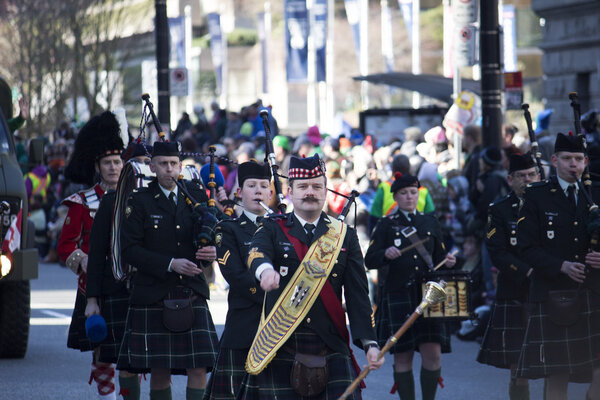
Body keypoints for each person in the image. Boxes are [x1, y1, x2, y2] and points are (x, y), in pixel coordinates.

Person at [239, 154, 384, 400]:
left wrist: (370, 342)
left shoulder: (343, 235)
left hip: (330, 342)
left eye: (317, 186)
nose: (310, 192)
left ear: (326, 190)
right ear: (289, 191)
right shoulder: (273, 227)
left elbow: (358, 294)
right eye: (303, 186)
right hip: (281, 340)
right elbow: (256, 253)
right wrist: (264, 271)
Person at [118, 141, 219, 400]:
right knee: (159, 369)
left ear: (181, 167)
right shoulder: (139, 201)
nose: (169, 169)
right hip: (153, 291)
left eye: (174, 164)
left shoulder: (196, 197)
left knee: (198, 369)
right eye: (163, 164)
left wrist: (210, 254)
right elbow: (129, 250)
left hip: (192, 290)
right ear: (152, 167)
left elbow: (209, 238)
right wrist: (170, 264)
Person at [516, 133, 600, 400]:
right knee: (557, 377)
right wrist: (560, 266)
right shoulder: (536, 196)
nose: (573, 164)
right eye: (566, 159)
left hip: (595, 294)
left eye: (578, 159)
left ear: (586, 161)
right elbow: (525, 247)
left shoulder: (595, 192)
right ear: (554, 161)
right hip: (555, 296)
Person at [365, 172, 456, 400]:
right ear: (395, 197)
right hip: (399, 293)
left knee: (433, 354)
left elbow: (440, 258)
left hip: (429, 294)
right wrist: (385, 254)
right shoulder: (386, 225)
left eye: (413, 192)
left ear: (419, 194)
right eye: (404, 193)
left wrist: (450, 261)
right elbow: (370, 259)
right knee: (403, 355)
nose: (409, 197)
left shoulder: (430, 222)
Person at [57, 111, 125, 400]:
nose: (113, 167)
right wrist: (83, 260)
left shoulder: (137, 198)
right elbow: (65, 246)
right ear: (98, 167)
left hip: (129, 283)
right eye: (107, 163)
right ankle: (107, 396)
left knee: (132, 347)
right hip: (94, 285)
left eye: (117, 162)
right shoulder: (82, 202)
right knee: (102, 346)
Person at [84, 143, 153, 400]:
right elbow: (97, 252)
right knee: (125, 361)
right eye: (136, 165)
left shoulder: (160, 200)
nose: (141, 170)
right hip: (118, 286)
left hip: (153, 287)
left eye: (146, 164)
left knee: (159, 363)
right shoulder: (111, 201)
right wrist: (92, 299)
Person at [204, 160, 272, 400]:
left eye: (264, 186)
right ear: (239, 193)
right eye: (252, 185)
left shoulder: (284, 228)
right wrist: (274, 297)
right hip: (244, 326)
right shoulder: (228, 229)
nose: (259, 191)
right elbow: (236, 276)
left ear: (271, 193)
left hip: (282, 327)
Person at [477, 153, 540, 400]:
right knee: (519, 363)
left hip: (549, 288)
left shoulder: (551, 206)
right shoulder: (500, 209)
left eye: (532, 174)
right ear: (510, 179)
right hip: (515, 289)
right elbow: (497, 252)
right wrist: (527, 271)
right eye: (522, 176)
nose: (527, 180)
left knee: (558, 364)